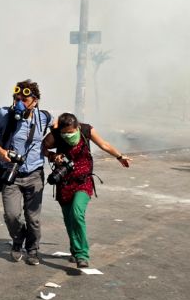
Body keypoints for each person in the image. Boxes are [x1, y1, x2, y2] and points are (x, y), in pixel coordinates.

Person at [42, 113, 131, 269]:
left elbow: (103, 144)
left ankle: (82, 254)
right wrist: (52, 155)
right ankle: (75, 250)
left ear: (77, 127)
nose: (68, 136)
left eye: (71, 132)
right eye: (65, 133)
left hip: (83, 182)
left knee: (77, 213)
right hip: (63, 182)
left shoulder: (86, 130)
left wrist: (119, 156)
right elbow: (42, 146)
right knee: (69, 220)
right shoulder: (55, 134)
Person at [0, 80, 52, 266]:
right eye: (16, 97)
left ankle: (32, 249)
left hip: (35, 174)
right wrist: (0, 152)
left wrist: (55, 153)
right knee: (11, 215)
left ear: (35, 101)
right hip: (10, 175)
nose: (20, 100)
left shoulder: (44, 117)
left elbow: (57, 132)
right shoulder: (4, 114)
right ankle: (18, 237)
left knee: (33, 218)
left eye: (25, 97)